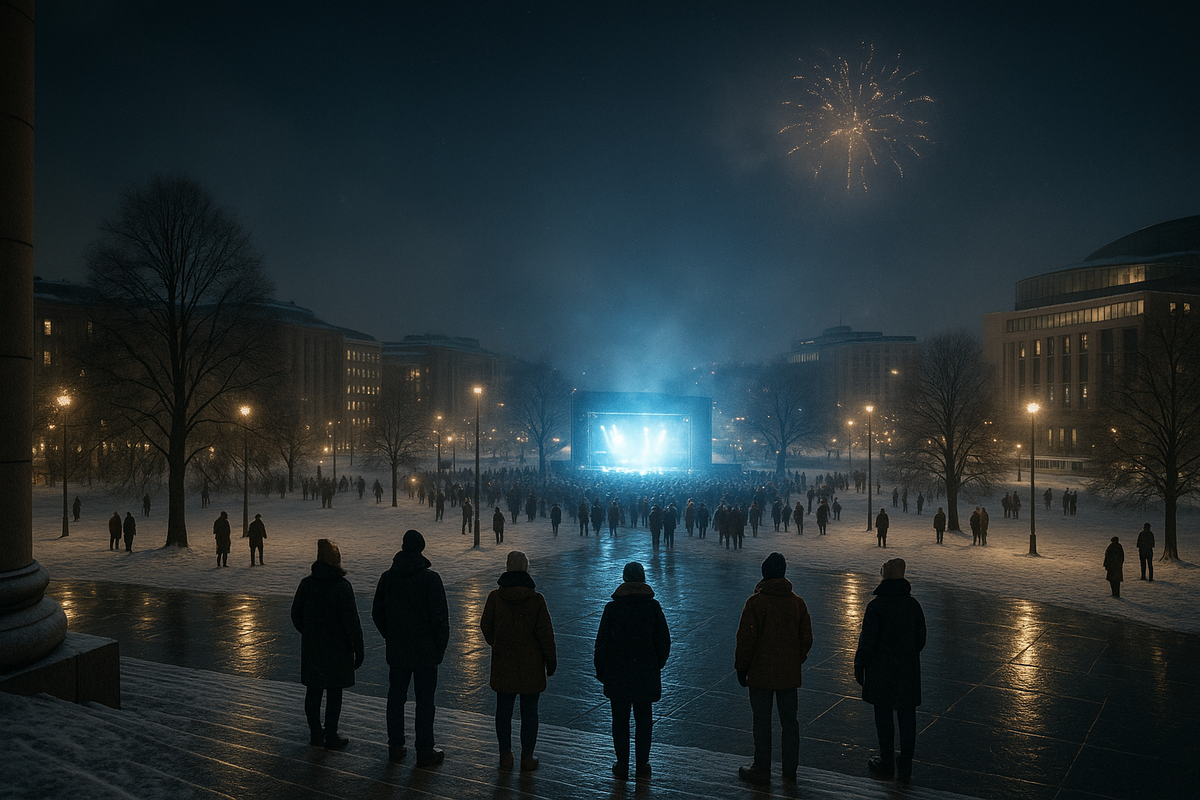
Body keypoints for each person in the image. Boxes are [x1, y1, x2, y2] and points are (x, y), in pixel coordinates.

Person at [734, 553, 814, 786]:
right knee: (790, 723)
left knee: (762, 722)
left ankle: (762, 768)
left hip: (759, 675)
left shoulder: (755, 603)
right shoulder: (796, 603)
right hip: (788, 676)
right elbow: (806, 637)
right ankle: (790, 770)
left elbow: (746, 639)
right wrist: (794, 660)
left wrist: (742, 667)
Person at [372, 530, 449, 767]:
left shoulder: (388, 577)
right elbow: (440, 618)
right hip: (425, 651)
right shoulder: (430, 579)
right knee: (425, 701)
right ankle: (425, 749)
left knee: (396, 697)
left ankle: (396, 745)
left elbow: (377, 613)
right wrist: (439, 647)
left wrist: (391, 635)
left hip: (398, 649)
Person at [481, 551, 557, 772]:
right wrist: (550, 662)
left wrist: (497, 642)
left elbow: (486, 625)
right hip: (530, 666)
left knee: (503, 711)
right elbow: (546, 634)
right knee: (529, 712)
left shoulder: (495, 597)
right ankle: (527, 757)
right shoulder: (535, 600)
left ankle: (505, 755)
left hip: (504, 662)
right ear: (525, 568)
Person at [594, 561, 671, 781]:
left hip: (618, 673)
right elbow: (664, 641)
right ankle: (642, 764)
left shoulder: (613, 608)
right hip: (645, 672)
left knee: (620, 720)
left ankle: (622, 764)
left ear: (625, 578)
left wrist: (602, 670)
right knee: (644, 720)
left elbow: (602, 643)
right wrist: (656, 664)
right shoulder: (652, 607)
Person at [854, 558, 926, 785]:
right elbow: (920, 639)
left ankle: (886, 761)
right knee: (907, 717)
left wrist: (860, 664)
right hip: (906, 670)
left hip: (881, 670)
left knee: (883, 715)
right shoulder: (912, 605)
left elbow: (867, 641)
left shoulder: (876, 606)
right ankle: (905, 763)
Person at [291, 539, 365, 749]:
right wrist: (358, 647)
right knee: (334, 692)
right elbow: (351, 620)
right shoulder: (342, 587)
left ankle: (316, 732)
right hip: (338, 648)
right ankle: (331, 733)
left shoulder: (307, 584)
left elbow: (296, 614)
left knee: (313, 691)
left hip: (314, 646)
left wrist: (308, 632)